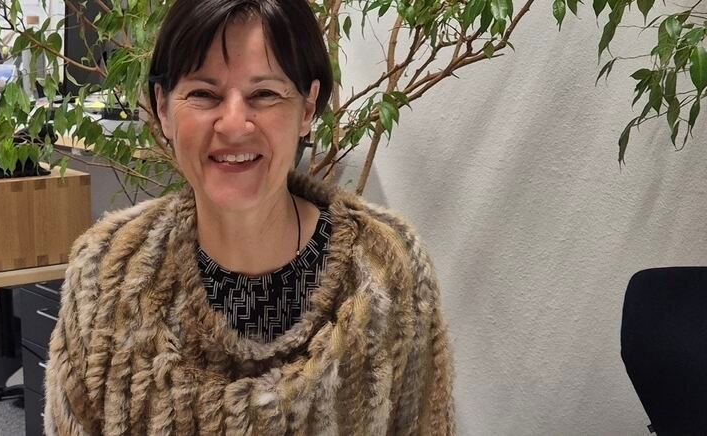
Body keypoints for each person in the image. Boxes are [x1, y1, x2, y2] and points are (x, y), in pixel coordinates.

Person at [43, 0, 454, 434]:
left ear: (308, 107)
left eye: (264, 94)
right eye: (204, 94)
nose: (234, 124)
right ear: (163, 107)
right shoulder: (106, 275)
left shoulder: (386, 270)